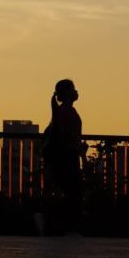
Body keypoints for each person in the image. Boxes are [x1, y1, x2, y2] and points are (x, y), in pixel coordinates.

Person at [43, 79, 87, 232]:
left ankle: (57, 226)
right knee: (73, 193)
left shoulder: (59, 111)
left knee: (62, 192)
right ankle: (70, 228)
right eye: (73, 89)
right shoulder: (69, 112)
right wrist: (84, 159)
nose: (76, 91)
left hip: (59, 158)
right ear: (67, 93)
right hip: (69, 158)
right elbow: (75, 139)